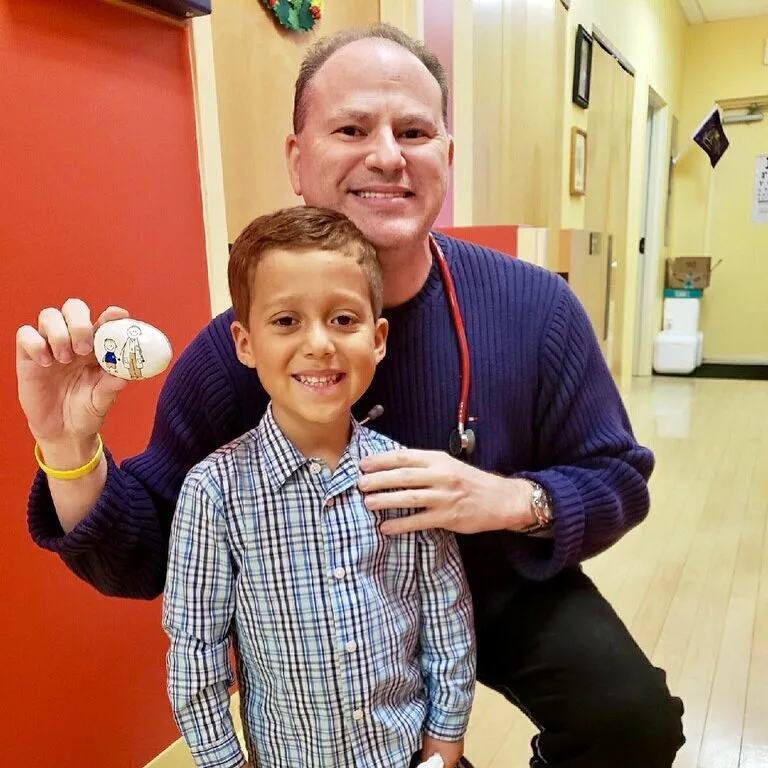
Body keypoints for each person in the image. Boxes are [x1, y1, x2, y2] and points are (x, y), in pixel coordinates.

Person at [16, 23, 685, 768]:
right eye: (351, 127)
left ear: (447, 159)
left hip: (504, 583)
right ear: (298, 160)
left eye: (415, 131)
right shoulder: (228, 355)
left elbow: (618, 478)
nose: (388, 155)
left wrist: (505, 499)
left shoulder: (536, 309)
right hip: (321, 622)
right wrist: (68, 446)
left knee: (633, 721)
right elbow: (150, 556)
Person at [162, 206, 475, 768]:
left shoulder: (405, 474)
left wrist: (447, 733)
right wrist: (222, 761)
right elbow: (195, 651)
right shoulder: (214, 493)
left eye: (343, 320)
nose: (319, 344)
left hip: (404, 754)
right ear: (245, 342)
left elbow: (445, 612)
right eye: (285, 321)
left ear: (378, 338)